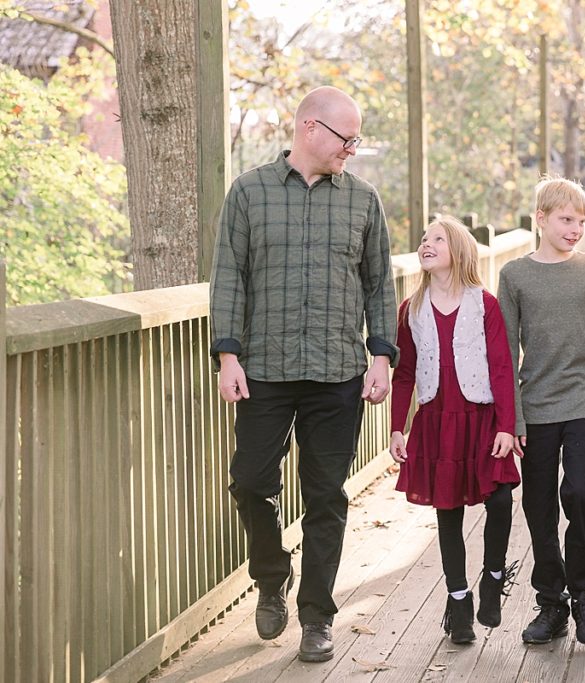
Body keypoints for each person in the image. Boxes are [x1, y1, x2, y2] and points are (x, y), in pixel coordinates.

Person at [209, 87, 398, 663]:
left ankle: (317, 616)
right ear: (311, 129)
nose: (353, 150)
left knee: (325, 498)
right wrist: (228, 356)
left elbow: (378, 284)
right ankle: (272, 576)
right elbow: (229, 277)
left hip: (337, 372)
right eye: (347, 139)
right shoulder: (248, 192)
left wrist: (382, 356)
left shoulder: (363, 201)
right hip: (264, 370)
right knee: (248, 482)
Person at [498, 177, 585, 646]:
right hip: (534, 407)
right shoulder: (514, 275)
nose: (575, 229)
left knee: (581, 493)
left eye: (581, 221)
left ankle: (583, 593)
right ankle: (550, 603)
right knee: (538, 506)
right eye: (565, 220)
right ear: (541, 219)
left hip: (582, 400)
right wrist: (511, 419)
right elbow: (505, 354)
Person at [389, 216, 521, 645]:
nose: (426, 244)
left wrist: (506, 426)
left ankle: (493, 577)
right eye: (424, 239)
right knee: (447, 511)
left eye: (437, 239)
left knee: (499, 500)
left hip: (482, 419)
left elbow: (502, 368)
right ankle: (458, 600)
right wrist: (397, 428)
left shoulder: (485, 304)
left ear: (459, 251)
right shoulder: (412, 309)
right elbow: (405, 372)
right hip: (436, 421)